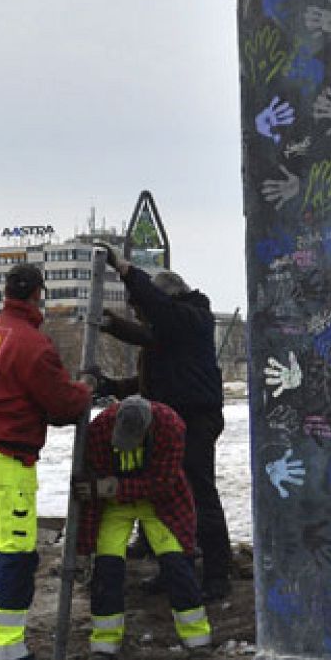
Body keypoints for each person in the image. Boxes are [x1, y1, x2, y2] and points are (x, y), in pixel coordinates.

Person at [0, 263, 92, 660]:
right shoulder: (32, 345)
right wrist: (87, 389)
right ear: (38, 295)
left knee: (6, 552)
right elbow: (64, 403)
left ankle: (6, 649)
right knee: (16, 557)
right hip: (8, 459)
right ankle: (9, 658)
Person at [92, 245, 232, 601]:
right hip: (173, 420)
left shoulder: (192, 318)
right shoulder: (172, 331)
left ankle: (217, 575)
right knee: (166, 496)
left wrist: (125, 270)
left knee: (199, 496)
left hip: (195, 420)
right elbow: (147, 349)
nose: (144, 317)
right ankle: (174, 569)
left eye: (145, 310)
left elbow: (158, 314)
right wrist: (108, 335)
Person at [74, 395, 213, 660]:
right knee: (107, 568)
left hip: (160, 502)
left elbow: (161, 483)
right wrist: (84, 544)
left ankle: (198, 641)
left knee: (177, 565)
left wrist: (110, 487)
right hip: (114, 505)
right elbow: (91, 482)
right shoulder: (99, 430)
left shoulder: (170, 426)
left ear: (148, 430)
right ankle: (104, 645)